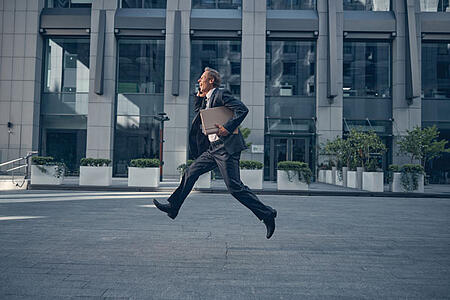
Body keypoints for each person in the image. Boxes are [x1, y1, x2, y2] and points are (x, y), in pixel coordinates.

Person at [153, 67, 277, 239]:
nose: (199, 81)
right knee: (190, 172)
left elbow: (242, 109)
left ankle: (267, 214)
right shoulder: (207, 99)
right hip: (212, 150)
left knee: (235, 188)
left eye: (202, 78)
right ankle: (173, 207)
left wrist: (227, 128)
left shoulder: (221, 94)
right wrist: (199, 97)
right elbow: (199, 114)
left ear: (211, 81)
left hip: (225, 149)